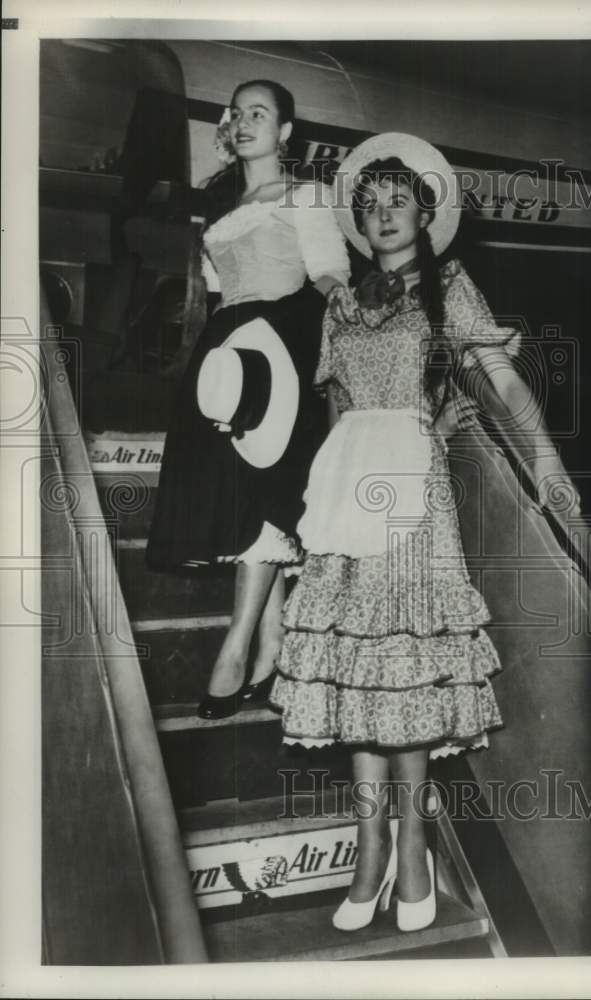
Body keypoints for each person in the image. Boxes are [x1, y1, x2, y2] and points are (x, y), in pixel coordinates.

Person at [270, 132, 580, 933]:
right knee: (354, 669)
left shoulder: (449, 287)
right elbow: (337, 407)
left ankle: (411, 844)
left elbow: (501, 377)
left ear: (426, 211)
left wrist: (544, 459)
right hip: (345, 488)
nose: (381, 215)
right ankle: (368, 843)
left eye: (396, 201)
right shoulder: (340, 300)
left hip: (412, 492)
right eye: (368, 206)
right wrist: (316, 502)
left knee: (402, 669)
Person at [146, 80, 350, 719]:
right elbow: (216, 294)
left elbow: (329, 279)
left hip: (276, 356)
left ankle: (234, 654)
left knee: (261, 498)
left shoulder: (307, 195)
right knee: (241, 498)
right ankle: (272, 646)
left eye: (258, 113)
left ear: (286, 131)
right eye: (235, 113)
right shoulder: (225, 211)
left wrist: (302, 348)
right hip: (225, 358)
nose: (242, 122)